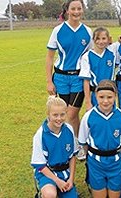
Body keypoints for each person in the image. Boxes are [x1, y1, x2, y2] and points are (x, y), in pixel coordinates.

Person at [45, 0, 92, 137]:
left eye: (79, 8)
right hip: (60, 78)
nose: (76, 12)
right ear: (67, 10)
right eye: (73, 9)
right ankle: (72, 142)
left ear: (82, 10)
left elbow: (94, 54)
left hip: (78, 78)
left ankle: (77, 142)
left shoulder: (87, 31)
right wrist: (49, 81)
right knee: (65, 113)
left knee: (71, 114)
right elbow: (49, 57)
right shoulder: (58, 30)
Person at [78, 80, 121, 198]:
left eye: (109, 97)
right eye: (101, 97)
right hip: (96, 163)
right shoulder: (88, 116)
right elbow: (84, 142)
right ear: (95, 96)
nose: (105, 101)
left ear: (115, 96)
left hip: (116, 162)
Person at [31, 96, 78, 198]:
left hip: (64, 172)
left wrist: (70, 179)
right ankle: (43, 193)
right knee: (50, 194)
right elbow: (40, 165)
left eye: (62, 114)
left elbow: (73, 156)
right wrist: (58, 181)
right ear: (48, 115)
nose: (59, 118)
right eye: (55, 115)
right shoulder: (40, 135)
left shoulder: (69, 129)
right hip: (46, 172)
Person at [79, 27, 116, 111]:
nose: (101, 41)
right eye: (98, 38)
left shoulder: (113, 51)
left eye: (104, 38)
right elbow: (86, 81)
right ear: (93, 39)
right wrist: (88, 102)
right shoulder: (87, 56)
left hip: (110, 92)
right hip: (96, 93)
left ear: (108, 39)